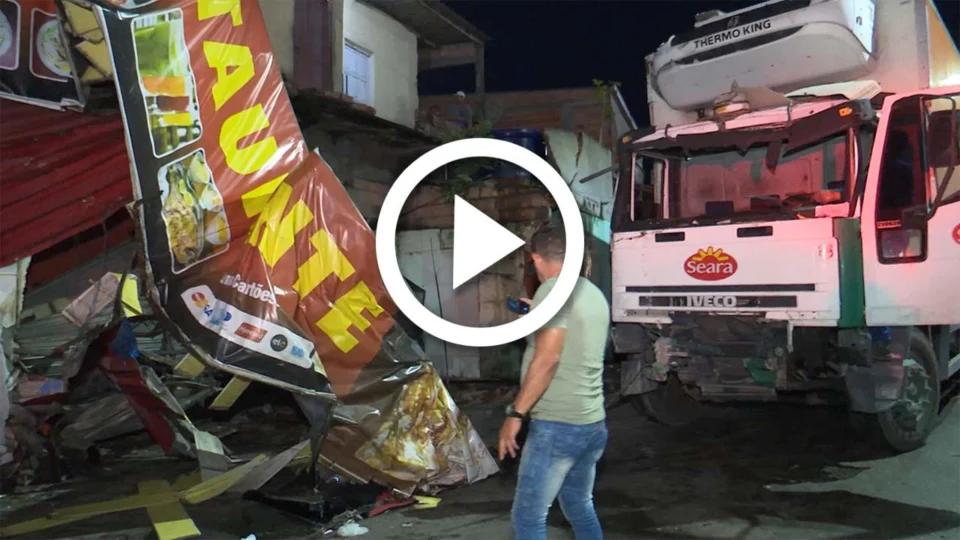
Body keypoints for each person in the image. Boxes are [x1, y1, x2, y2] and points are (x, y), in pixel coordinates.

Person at [498, 225, 611, 540]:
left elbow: (548, 360)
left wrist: (515, 415)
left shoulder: (552, 291)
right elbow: (572, 343)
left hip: (558, 425)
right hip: (591, 422)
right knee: (578, 504)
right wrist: (535, 318)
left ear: (535, 259)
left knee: (529, 517)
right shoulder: (590, 291)